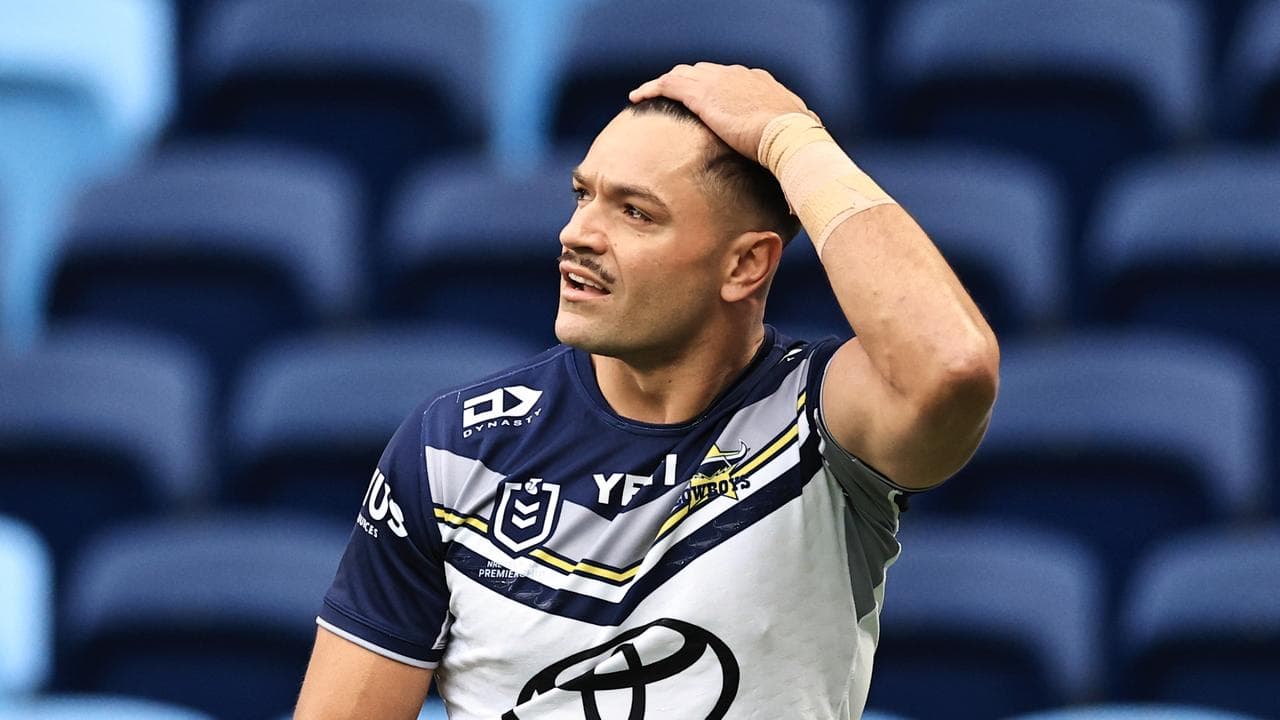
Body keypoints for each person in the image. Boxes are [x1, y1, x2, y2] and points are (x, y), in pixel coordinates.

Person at [294, 62, 999, 720]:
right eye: (583, 195)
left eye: (635, 212)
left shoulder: (819, 421)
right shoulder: (452, 446)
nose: (577, 234)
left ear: (746, 265)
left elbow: (951, 364)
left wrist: (791, 139)